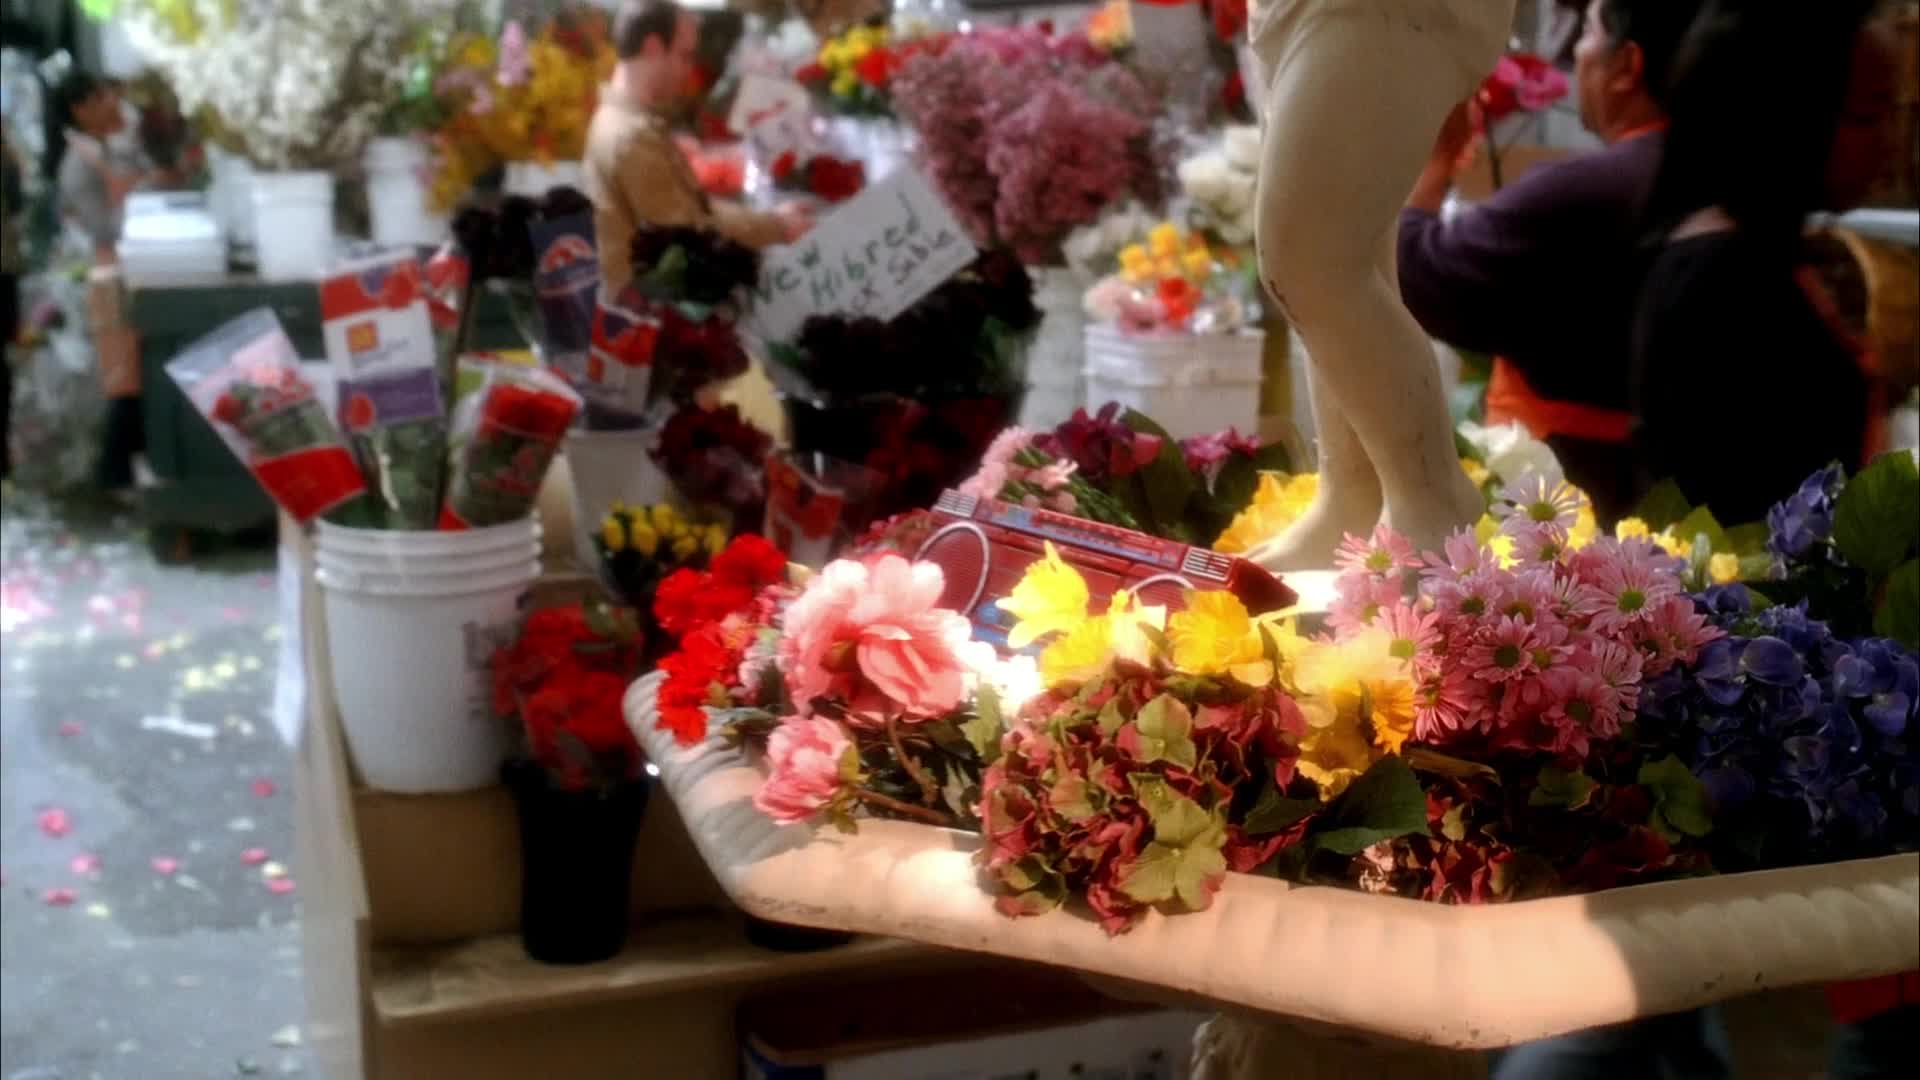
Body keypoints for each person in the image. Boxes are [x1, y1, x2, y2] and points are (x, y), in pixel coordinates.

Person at [1398, 0, 1704, 524]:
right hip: (1694, 505)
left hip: (1575, 503)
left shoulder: (1588, 192)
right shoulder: (1725, 181)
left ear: (1627, 66)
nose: (1577, 54)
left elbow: (1418, 272)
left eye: (1586, 34)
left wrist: (1434, 161)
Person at [1631, 0, 1901, 525]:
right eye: (1867, 116)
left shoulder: (1760, 256)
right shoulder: (1719, 284)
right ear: (1784, 113)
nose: (1890, 141)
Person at [585, 0, 806, 297]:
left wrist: (772, 221)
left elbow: (693, 208)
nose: (688, 71)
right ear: (653, 48)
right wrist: (775, 228)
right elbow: (688, 233)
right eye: (685, 56)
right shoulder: (630, 136)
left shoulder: (627, 122)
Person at [50, 71, 147, 496]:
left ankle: (122, 473)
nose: (113, 103)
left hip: (129, 270)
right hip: (111, 277)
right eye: (102, 97)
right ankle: (114, 475)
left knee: (135, 373)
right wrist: (144, 193)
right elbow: (103, 228)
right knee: (125, 377)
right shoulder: (77, 165)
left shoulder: (107, 149)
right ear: (80, 110)